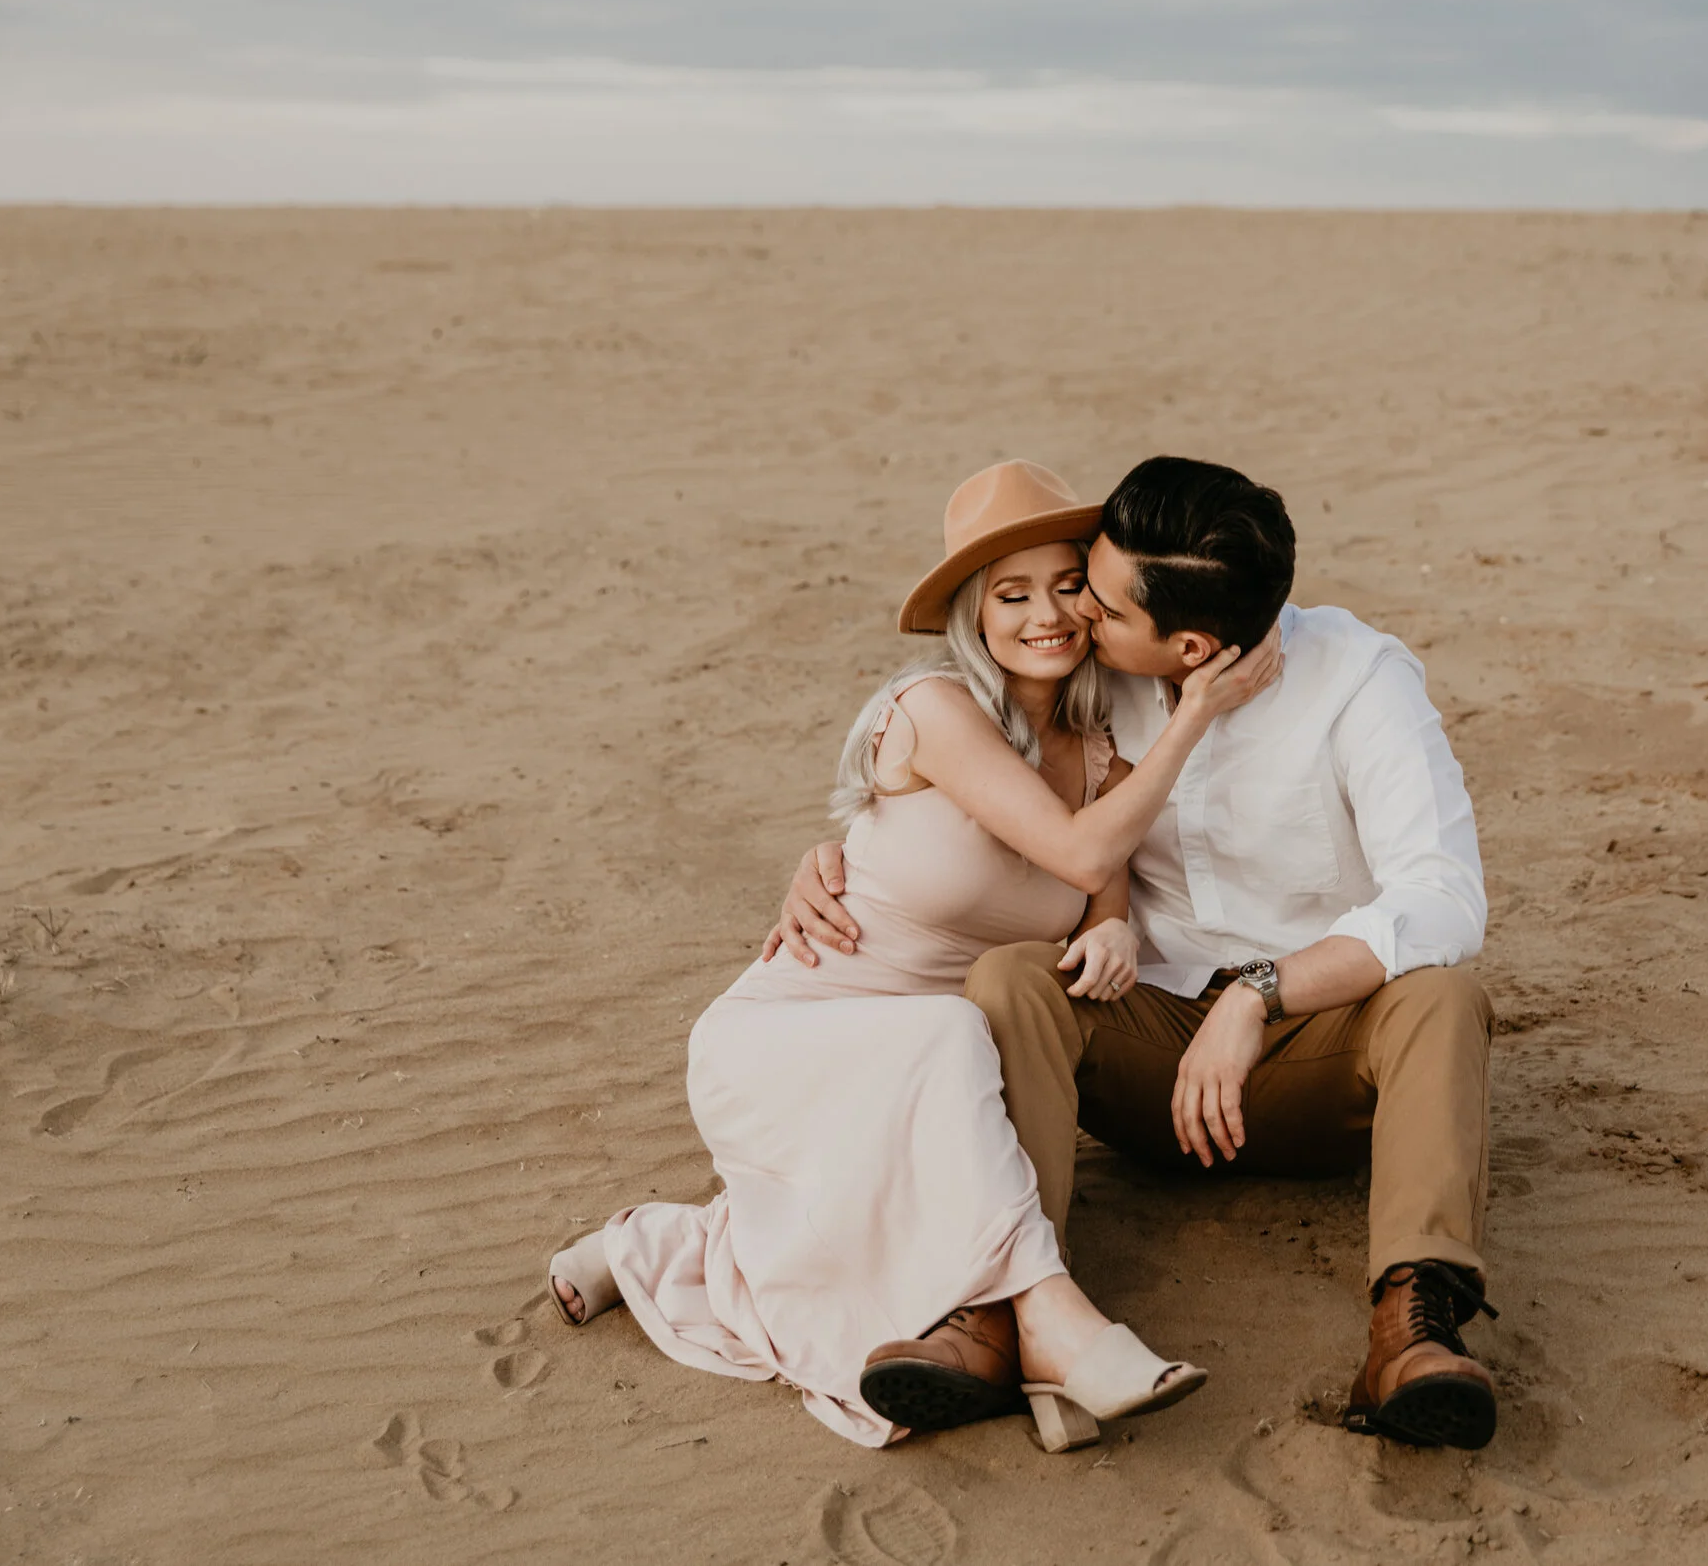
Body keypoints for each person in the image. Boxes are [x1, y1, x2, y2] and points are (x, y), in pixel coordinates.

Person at [768, 455, 1501, 1450]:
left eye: (1098, 602)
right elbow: (957, 783)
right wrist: (835, 859)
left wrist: (1259, 994)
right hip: (1141, 1052)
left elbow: (1444, 891)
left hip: (1308, 1057)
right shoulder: (1088, 675)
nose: (1073, 618)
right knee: (1009, 979)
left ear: (1190, 643)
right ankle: (993, 1305)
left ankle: (1412, 1330)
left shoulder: (1358, 677)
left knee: (1443, 995)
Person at [544, 460, 1280, 1450]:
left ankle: (656, 1243)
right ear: (974, 612)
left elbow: (1105, 884)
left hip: (929, 1068)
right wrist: (1196, 710)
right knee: (950, 1030)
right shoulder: (933, 708)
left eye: (1068, 584)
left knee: (901, 1179)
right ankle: (1058, 1326)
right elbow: (1078, 850)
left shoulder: (1102, 749)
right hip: (791, 1035)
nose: (1046, 615)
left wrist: (1112, 927)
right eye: (1010, 594)